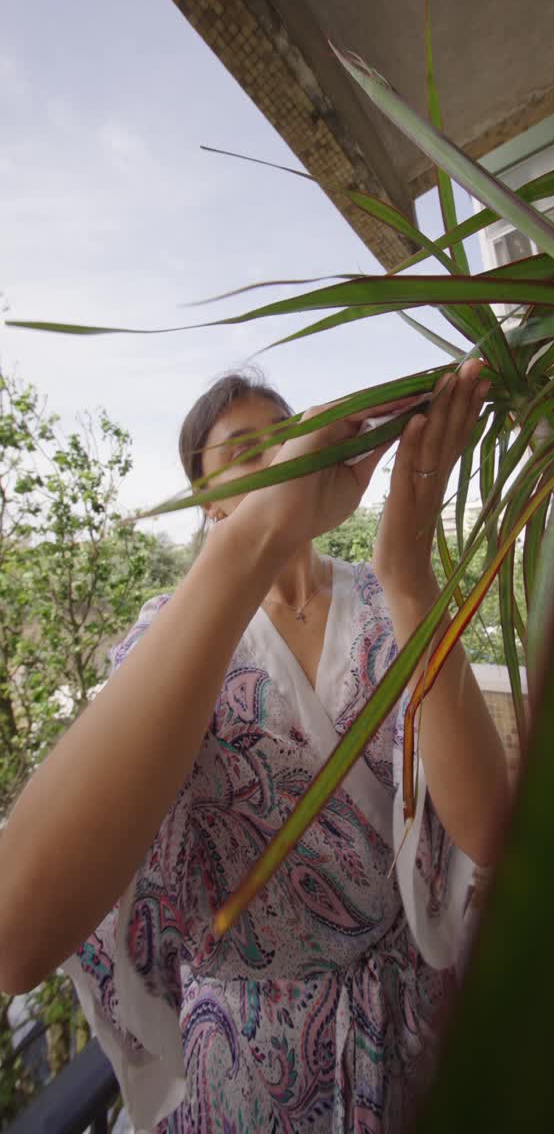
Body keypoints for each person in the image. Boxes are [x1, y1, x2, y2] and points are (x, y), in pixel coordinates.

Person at [0, 360, 509, 1132]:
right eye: (245, 454)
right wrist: (255, 543)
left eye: (288, 439)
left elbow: (486, 831)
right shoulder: (171, 641)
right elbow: (18, 934)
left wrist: (410, 574)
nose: (278, 463)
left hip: (410, 1026)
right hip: (249, 1060)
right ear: (208, 499)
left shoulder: (384, 600)